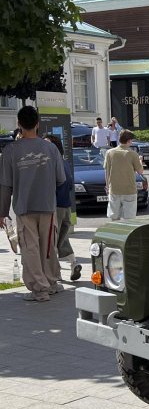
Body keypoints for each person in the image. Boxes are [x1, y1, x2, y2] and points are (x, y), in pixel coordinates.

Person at [0, 106, 66, 302]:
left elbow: (5, 185)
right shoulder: (51, 148)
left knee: (30, 248)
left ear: (19, 124)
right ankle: (51, 283)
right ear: (38, 123)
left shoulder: (10, 150)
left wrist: (3, 212)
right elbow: (61, 179)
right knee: (48, 247)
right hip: (47, 205)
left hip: (24, 206)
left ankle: (39, 290)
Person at [44, 134, 81, 281]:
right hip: (66, 205)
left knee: (51, 240)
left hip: (55, 206)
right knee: (62, 239)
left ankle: (55, 273)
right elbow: (70, 185)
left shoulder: (51, 163)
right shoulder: (65, 162)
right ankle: (74, 263)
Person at [104, 129, 143, 220]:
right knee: (129, 219)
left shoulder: (109, 153)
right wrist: (140, 160)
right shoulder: (133, 154)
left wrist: (107, 186)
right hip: (129, 190)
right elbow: (140, 171)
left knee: (114, 217)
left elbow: (107, 171)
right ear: (129, 140)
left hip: (114, 189)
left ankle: (115, 233)